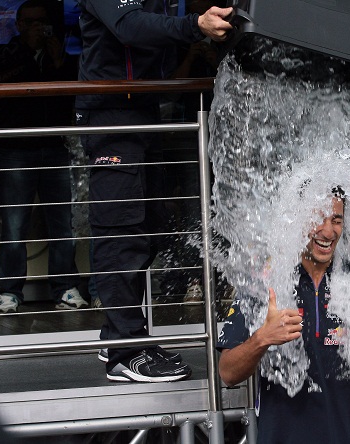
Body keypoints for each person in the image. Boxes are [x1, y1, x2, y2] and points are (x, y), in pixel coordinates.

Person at [74, 0, 232, 383]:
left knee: (153, 226)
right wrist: (196, 24)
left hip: (144, 111)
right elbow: (130, 26)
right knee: (121, 233)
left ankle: (120, 333)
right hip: (112, 114)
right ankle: (125, 351)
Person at [217, 189, 350, 443]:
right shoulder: (268, 281)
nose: (328, 231)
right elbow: (228, 373)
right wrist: (262, 338)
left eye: (336, 220)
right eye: (318, 218)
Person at [0, 0, 87, 314]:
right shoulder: (2, 53)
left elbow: (71, 95)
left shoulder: (62, 57)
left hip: (56, 147)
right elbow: (2, 82)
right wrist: (31, 53)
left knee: (64, 223)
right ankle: (9, 292)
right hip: (15, 149)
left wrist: (57, 60)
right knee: (14, 224)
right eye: (29, 22)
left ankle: (65, 288)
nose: (35, 28)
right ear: (18, 25)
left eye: (40, 22)